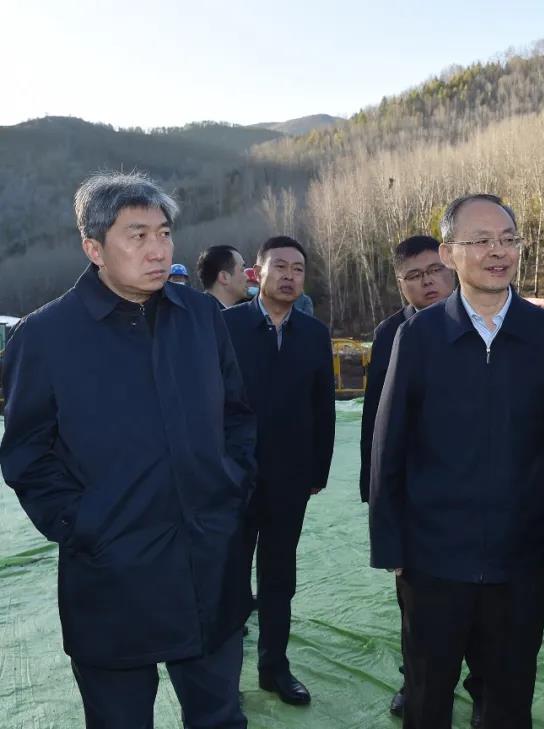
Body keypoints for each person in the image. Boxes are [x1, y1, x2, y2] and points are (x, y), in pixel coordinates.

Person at [0, 171, 256, 729]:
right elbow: (26, 455)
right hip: (113, 579)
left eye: (164, 233)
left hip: (209, 567)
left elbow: (236, 415)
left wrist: (231, 487)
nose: (159, 250)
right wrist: (85, 524)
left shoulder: (201, 317)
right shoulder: (45, 337)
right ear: (94, 249)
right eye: (137, 236)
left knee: (219, 717)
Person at [369, 194, 544, 729]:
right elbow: (389, 446)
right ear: (449, 253)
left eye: (509, 239)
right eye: (482, 240)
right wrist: (390, 543)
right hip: (433, 560)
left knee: (510, 697)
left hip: (520, 559)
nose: (498, 251)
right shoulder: (417, 337)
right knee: (427, 695)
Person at [358, 235, 486, 721]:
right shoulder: (392, 334)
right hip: (417, 499)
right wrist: (376, 496)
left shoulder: (484, 322)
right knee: (418, 607)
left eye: (434, 270)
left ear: (452, 267)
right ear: (400, 284)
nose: (427, 282)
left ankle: (483, 686)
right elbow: (376, 421)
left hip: (480, 491)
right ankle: (415, 682)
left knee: (489, 604)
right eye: (414, 276)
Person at [222, 236, 336, 706]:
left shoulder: (313, 334)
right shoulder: (226, 326)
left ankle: (274, 668)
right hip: (233, 477)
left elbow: (322, 406)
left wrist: (318, 469)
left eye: (298, 269)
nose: (289, 276)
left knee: (278, 576)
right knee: (229, 577)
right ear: (258, 272)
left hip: (289, 477)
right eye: (280, 266)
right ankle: (223, 677)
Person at [197, 245, 248, 309]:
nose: (247, 277)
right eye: (242, 270)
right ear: (224, 277)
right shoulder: (208, 313)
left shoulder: (199, 308)